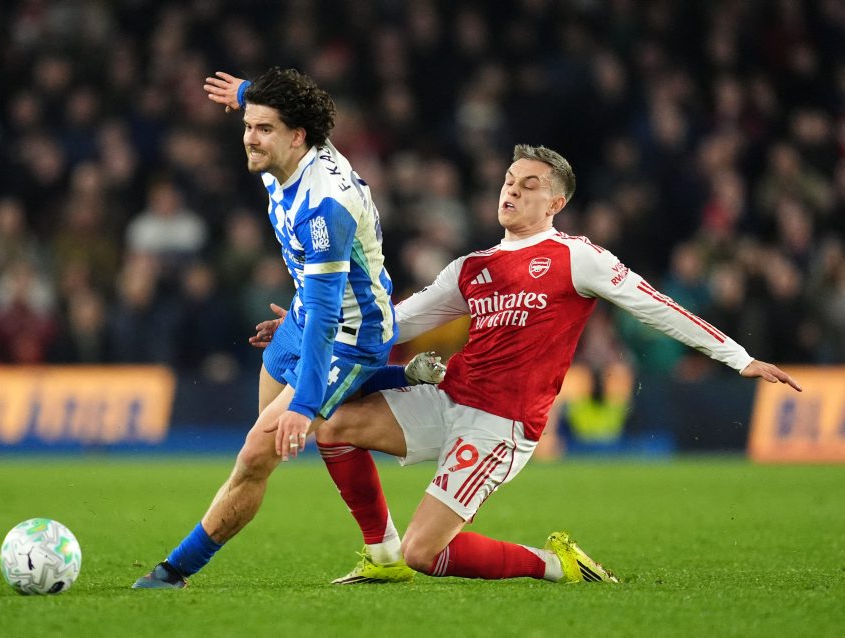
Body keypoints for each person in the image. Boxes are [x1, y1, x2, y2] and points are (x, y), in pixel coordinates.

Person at [254, 144, 802, 585]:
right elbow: (392, 322)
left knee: (427, 553)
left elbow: (655, 305)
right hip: (448, 398)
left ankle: (556, 564)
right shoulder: (471, 267)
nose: (512, 189)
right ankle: (381, 555)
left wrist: (739, 358)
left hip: (501, 423)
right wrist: (305, 324)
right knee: (334, 425)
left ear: (556, 202)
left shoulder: (576, 257)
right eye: (509, 180)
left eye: (529, 184)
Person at [133, 67, 426, 588]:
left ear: (297, 137)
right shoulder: (288, 152)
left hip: (349, 336)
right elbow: (294, 107)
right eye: (248, 125)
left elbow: (329, 316)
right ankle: (384, 548)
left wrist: (305, 404)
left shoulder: (325, 207)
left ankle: (173, 571)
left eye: (263, 129)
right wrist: (245, 94)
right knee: (262, 449)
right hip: (305, 314)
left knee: (256, 454)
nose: (250, 137)